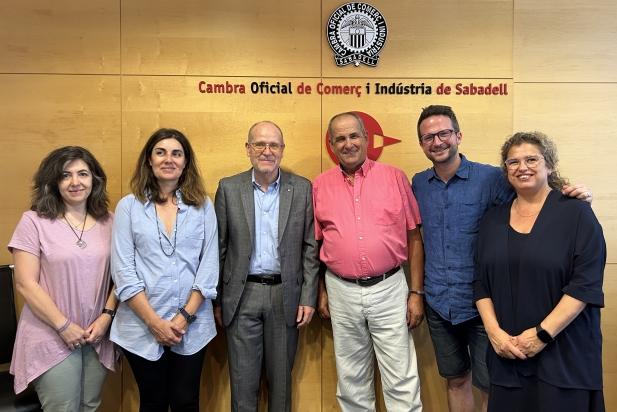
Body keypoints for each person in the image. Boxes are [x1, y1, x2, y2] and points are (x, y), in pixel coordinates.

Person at [411, 105, 594, 412]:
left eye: (443, 133)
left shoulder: (492, 178)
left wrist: (575, 196)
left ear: (458, 135)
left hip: (486, 305)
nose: (437, 141)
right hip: (439, 302)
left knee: (491, 385)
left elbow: (535, 196)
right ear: (421, 144)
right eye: (428, 137)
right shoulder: (417, 184)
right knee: (456, 380)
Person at [473, 132, 605, 411]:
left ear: (549, 165)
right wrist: (494, 333)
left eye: (532, 159)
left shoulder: (576, 212)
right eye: (513, 161)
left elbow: (585, 283)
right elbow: (480, 282)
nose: (522, 167)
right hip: (507, 356)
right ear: (505, 170)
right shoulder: (492, 219)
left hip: (563, 356)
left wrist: (542, 335)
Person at [315, 112, 424, 412]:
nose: (348, 143)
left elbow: (415, 237)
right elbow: (318, 244)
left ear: (365, 139)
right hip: (340, 289)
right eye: (340, 138)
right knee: (351, 380)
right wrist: (321, 290)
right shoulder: (320, 185)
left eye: (353, 136)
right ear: (332, 144)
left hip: (390, 287)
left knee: (401, 377)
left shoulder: (394, 177)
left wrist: (416, 293)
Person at [110, 128, 218, 412]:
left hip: (192, 327)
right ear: (149, 159)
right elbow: (123, 270)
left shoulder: (203, 205)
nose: (168, 159)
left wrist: (184, 317)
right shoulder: (128, 207)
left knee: (186, 402)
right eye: (161, 152)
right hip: (140, 326)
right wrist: (155, 323)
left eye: (176, 153)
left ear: (185, 162)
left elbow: (209, 266)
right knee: (153, 402)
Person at [214, 121, 319, 412]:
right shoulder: (228, 188)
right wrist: (218, 300)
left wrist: (308, 297)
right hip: (241, 296)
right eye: (259, 144)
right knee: (242, 385)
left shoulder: (301, 188)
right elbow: (219, 249)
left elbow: (310, 248)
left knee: (281, 386)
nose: (267, 151)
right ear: (248, 148)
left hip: (285, 296)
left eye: (274, 145)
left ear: (282, 150)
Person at [8, 146, 117, 411]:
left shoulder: (111, 221)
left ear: (95, 180)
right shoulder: (33, 221)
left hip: (96, 334)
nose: (75, 182)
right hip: (50, 334)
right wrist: (63, 326)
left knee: (89, 405)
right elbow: (25, 283)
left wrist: (106, 317)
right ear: (53, 182)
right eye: (65, 175)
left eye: (83, 174)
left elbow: (122, 277)